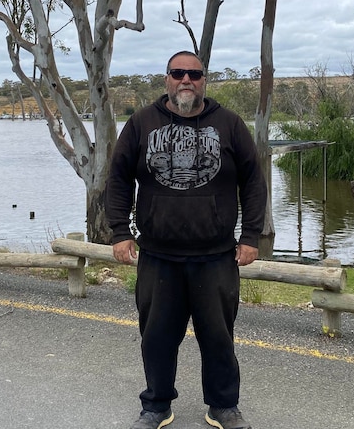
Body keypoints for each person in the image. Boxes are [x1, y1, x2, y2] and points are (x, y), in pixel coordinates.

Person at [105, 51, 268, 429]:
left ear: (203, 81)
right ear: (166, 79)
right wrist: (119, 231)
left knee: (218, 338)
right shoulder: (142, 123)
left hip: (215, 256)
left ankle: (223, 406)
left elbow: (254, 182)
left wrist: (250, 236)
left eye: (194, 74)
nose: (186, 80)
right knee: (156, 337)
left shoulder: (228, 124)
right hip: (158, 254)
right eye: (178, 73)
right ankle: (157, 406)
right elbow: (118, 179)